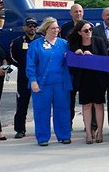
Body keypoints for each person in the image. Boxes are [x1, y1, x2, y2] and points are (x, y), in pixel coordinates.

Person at [26, 17, 73, 146]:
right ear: (46, 29)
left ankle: (64, 135)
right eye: (53, 28)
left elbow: (72, 61)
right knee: (41, 111)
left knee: (63, 110)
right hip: (42, 84)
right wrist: (33, 80)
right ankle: (42, 137)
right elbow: (30, 64)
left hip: (61, 84)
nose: (56, 30)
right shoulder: (36, 44)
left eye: (57, 28)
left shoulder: (64, 44)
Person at [68, 20, 109, 144]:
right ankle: (88, 134)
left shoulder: (99, 41)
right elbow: (71, 65)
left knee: (98, 105)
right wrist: (76, 55)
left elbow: (105, 60)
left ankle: (100, 132)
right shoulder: (75, 44)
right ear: (80, 32)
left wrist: (92, 56)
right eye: (86, 30)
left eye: (90, 29)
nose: (89, 32)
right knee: (86, 106)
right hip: (83, 79)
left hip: (98, 78)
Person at [9, 17, 41, 139]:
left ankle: (40, 128)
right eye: (29, 26)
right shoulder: (17, 42)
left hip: (38, 78)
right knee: (22, 104)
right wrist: (24, 66)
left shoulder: (41, 41)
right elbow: (13, 58)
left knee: (40, 105)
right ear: (24, 27)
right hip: (23, 78)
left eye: (34, 25)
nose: (32, 28)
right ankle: (20, 129)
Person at [92, 7, 109, 133]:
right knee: (97, 97)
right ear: (103, 16)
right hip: (100, 71)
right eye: (108, 15)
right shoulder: (95, 30)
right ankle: (93, 125)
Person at [61, 3, 85, 126]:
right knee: (69, 98)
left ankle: (90, 124)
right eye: (76, 11)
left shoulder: (88, 26)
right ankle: (67, 123)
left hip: (85, 69)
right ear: (71, 13)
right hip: (70, 69)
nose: (78, 14)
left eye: (80, 11)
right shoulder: (65, 28)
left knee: (87, 98)